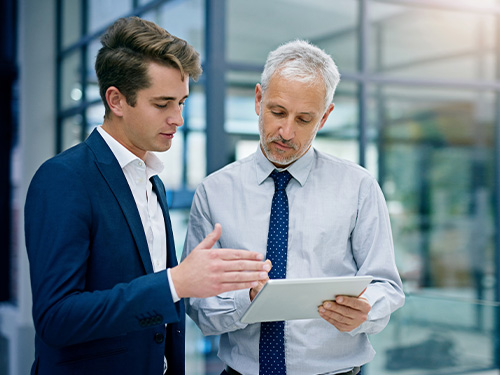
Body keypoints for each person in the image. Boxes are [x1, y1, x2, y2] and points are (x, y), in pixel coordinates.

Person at [24, 17, 270, 375]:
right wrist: (175, 283)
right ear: (117, 100)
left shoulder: (153, 183)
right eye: (163, 104)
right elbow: (56, 318)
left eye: (182, 103)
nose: (178, 119)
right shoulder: (63, 179)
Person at [182, 40, 405, 375]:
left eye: (304, 119)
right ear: (258, 99)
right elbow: (197, 308)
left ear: (325, 117)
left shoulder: (358, 188)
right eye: (277, 112)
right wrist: (248, 298)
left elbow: (387, 286)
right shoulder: (214, 192)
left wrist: (365, 311)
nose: (286, 132)